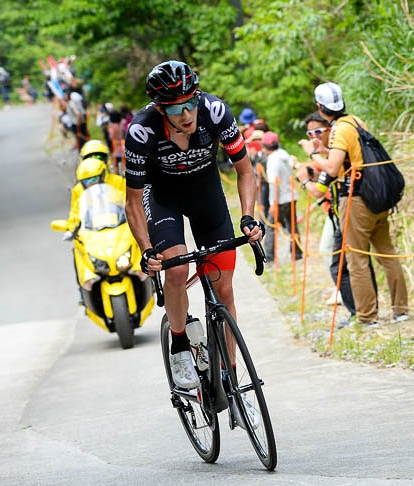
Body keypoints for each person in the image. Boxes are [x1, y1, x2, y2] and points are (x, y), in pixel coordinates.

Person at [123, 60, 263, 427]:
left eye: (190, 103)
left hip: (206, 193)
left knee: (224, 285)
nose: (186, 114)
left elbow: (246, 171)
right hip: (163, 196)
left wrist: (248, 217)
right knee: (177, 265)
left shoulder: (216, 112)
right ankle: (181, 343)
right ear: (159, 109)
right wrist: (146, 249)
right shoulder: (141, 131)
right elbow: (133, 201)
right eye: (174, 108)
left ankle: (231, 379)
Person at [299, 82, 408, 326]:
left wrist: (311, 152)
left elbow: (333, 168)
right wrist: (325, 149)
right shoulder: (356, 122)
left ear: (319, 106)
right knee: (387, 253)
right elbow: (351, 155)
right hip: (378, 196)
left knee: (356, 259)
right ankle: (401, 309)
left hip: (358, 198)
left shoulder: (339, 129)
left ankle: (367, 317)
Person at [297, 113, 378, 323]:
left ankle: (358, 312)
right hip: (346, 208)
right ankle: (366, 309)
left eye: (318, 132)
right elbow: (327, 177)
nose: (314, 136)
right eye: (310, 133)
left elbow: (320, 187)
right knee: (356, 259)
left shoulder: (337, 151)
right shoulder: (337, 151)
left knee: (340, 263)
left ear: (328, 129)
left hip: (348, 210)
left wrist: (306, 180)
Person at [263, 131, 303, 261]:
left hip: (280, 200)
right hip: (291, 196)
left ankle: (269, 257)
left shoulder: (272, 160)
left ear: (264, 146)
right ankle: (297, 254)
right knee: (292, 226)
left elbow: (274, 183)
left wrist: (273, 204)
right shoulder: (284, 154)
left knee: (270, 226)